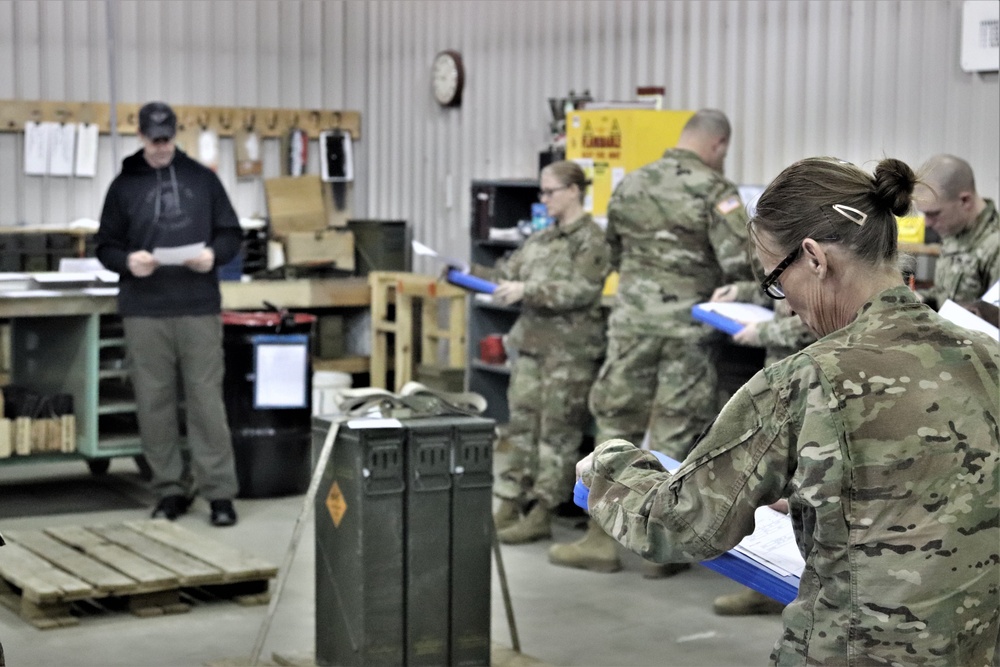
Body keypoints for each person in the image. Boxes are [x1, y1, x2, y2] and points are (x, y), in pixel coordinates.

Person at [577, 156, 1000, 664]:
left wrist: (608, 465)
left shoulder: (804, 380)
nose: (788, 304)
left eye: (777, 281)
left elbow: (678, 523)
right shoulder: (987, 356)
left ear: (815, 258)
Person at [549, 109, 754, 576]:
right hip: (689, 329)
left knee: (615, 423)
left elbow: (614, 253)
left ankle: (598, 539)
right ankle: (658, 549)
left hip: (631, 325)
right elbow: (738, 264)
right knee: (673, 430)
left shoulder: (632, 183)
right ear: (718, 145)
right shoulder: (715, 191)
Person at [96, 101, 242, 527]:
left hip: (197, 306)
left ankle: (219, 493)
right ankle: (169, 490)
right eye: (153, 140)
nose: (161, 148)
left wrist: (214, 255)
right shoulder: (123, 187)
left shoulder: (203, 180)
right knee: (153, 402)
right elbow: (104, 246)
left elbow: (232, 233)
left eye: (167, 140)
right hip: (145, 310)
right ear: (140, 136)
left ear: (175, 135)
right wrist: (127, 262)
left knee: (205, 402)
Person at [463, 160, 610, 545]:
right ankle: (510, 502)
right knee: (521, 429)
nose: (543, 200)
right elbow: (506, 272)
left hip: (569, 353)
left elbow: (582, 289)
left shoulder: (591, 240)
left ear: (574, 191)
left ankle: (544, 510)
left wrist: (529, 291)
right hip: (530, 346)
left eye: (550, 192)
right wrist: (465, 272)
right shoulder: (540, 240)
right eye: (541, 192)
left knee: (557, 435)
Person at [707, 283, 815, 617]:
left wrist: (766, 331)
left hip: (812, 377)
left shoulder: (827, 244)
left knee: (806, 488)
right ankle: (777, 580)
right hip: (783, 376)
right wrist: (743, 292)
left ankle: (805, 589)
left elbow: (820, 313)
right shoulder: (793, 254)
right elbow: (785, 290)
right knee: (782, 485)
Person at [913, 154, 999, 315]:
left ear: (965, 201)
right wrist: (920, 297)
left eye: (934, 214)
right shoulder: (955, 230)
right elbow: (946, 295)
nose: (927, 223)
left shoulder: (995, 246)